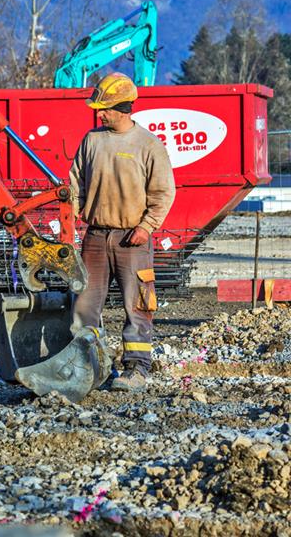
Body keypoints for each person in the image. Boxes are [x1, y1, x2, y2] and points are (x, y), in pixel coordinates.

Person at [69, 72, 175, 391]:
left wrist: (146, 227)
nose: (100, 113)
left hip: (133, 239)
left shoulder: (148, 145)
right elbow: (75, 185)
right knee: (84, 304)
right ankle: (86, 366)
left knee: (138, 304)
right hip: (96, 237)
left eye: (105, 108)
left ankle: (137, 370)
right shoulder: (92, 141)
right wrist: (71, 219)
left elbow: (163, 193)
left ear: (124, 107)